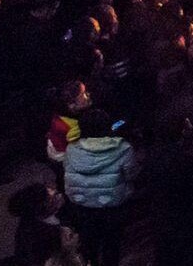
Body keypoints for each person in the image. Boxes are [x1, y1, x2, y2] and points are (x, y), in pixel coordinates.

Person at [62, 109, 138, 266]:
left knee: (89, 242)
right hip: (112, 206)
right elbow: (132, 175)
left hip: (82, 205)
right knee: (111, 242)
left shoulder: (71, 149)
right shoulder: (123, 148)